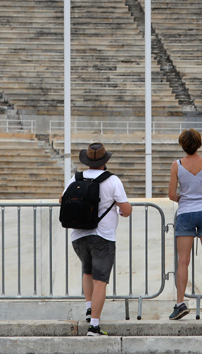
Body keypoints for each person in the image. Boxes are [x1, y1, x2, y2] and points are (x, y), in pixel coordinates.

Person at [63, 142, 132, 336]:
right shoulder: (112, 180)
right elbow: (126, 210)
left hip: (78, 235)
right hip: (102, 236)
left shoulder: (75, 178)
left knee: (87, 271)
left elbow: (62, 200)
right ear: (104, 161)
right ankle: (94, 325)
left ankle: (88, 308)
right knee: (100, 280)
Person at [167, 128, 202, 320]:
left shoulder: (177, 165)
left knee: (183, 261)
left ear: (182, 145)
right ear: (199, 144)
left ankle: (180, 303)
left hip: (185, 212)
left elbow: (172, 194)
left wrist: (186, 197)